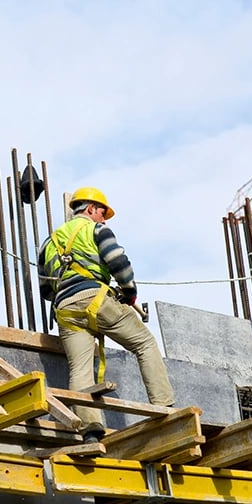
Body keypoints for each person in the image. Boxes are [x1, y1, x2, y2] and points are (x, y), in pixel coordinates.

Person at [37, 187, 175, 442]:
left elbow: (46, 289)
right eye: (102, 213)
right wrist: (129, 292)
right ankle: (165, 408)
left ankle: (90, 431)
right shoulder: (96, 230)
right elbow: (118, 263)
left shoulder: (49, 242)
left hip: (65, 309)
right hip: (97, 300)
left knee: (79, 368)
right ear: (90, 209)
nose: (104, 219)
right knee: (144, 343)